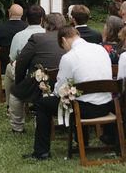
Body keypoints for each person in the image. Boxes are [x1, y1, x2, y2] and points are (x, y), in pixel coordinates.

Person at [23, 25, 113, 160]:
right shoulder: (100, 49)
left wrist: (52, 93)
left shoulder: (69, 57)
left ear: (64, 40)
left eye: (63, 46)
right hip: (107, 105)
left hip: (84, 109)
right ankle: (83, 141)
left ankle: (41, 152)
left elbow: (60, 89)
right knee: (76, 96)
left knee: (42, 104)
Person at [9, 13, 66, 134]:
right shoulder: (68, 39)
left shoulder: (37, 38)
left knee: (15, 93)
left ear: (45, 23)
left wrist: (19, 81)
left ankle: (17, 127)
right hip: (64, 85)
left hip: (39, 82)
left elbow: (22, 61)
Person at [3, 5, 46, 109]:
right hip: (47, 74)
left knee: (9, 67)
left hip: (26, 76)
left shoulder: (18, 36)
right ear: (42, 19)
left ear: (26, 19)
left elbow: (12, 60)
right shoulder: (49, 34)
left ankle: (10, 104)